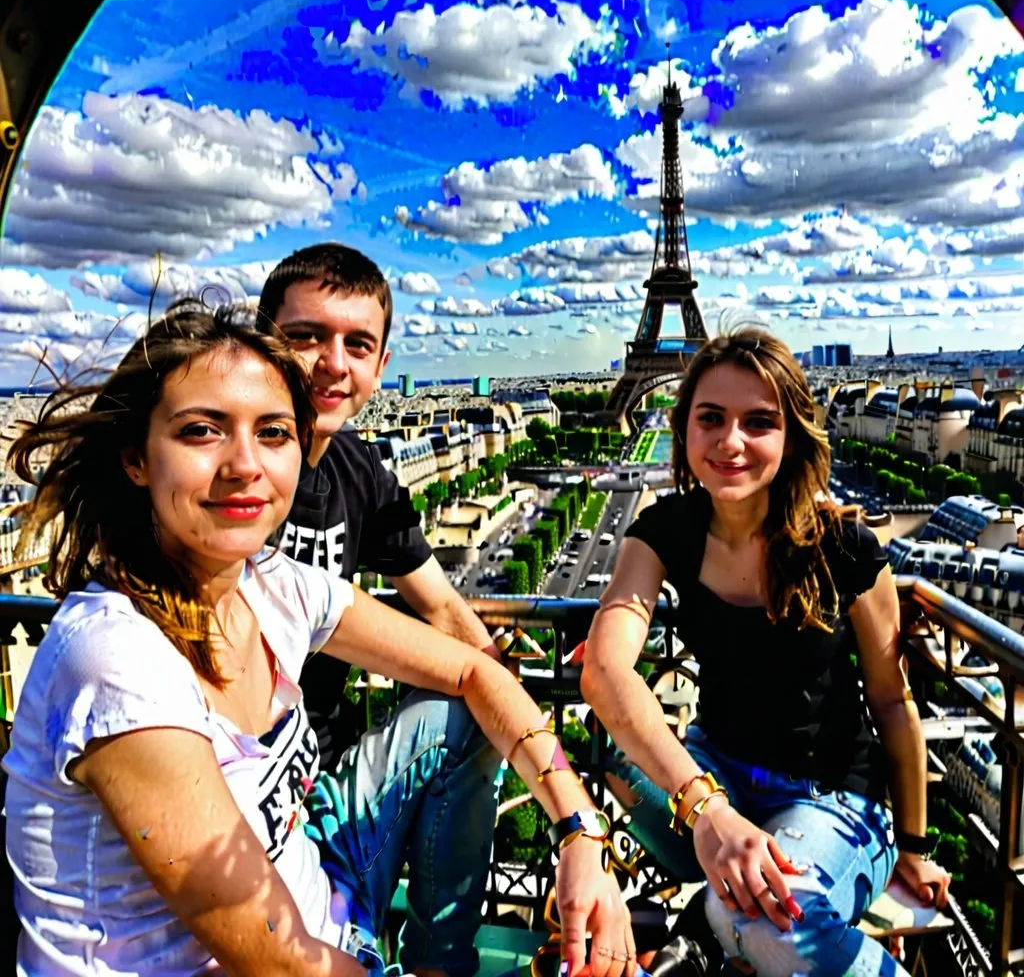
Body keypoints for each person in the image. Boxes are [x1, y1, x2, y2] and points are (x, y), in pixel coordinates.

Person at [2, 303, 634, 977]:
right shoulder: (115, 659)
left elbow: (476, 675)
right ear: (136, 458)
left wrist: (580, 828)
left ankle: (438, 961)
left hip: (324, 904)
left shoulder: (271, 581)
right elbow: (281, 964)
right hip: (297, 958)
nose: (244, 464)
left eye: (272, 433)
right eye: (201, 432)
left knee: (460, 718)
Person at [579, 328, 950, 977]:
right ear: (684, 426)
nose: (730, 441)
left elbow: (893, 705)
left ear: (791, 435)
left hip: (830, 797)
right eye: (712, 418)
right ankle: (695, 925)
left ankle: (705, 931)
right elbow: (605, 672)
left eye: (758, 422)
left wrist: (914, 848)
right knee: (604, 740)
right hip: (713, 778)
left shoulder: (846, 546)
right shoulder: (664, 530)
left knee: (754, 915)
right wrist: (708, 807)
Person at [255, 244, 506, 969]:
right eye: (306, 337)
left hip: (320, 783)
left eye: (355, 344)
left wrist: (514, 712)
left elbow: (441, 607)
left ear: (380, 365)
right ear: (263, 340)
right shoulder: (231, 488)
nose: (333, 363)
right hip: (240, 805)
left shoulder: (360, 467)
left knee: (473, 715)